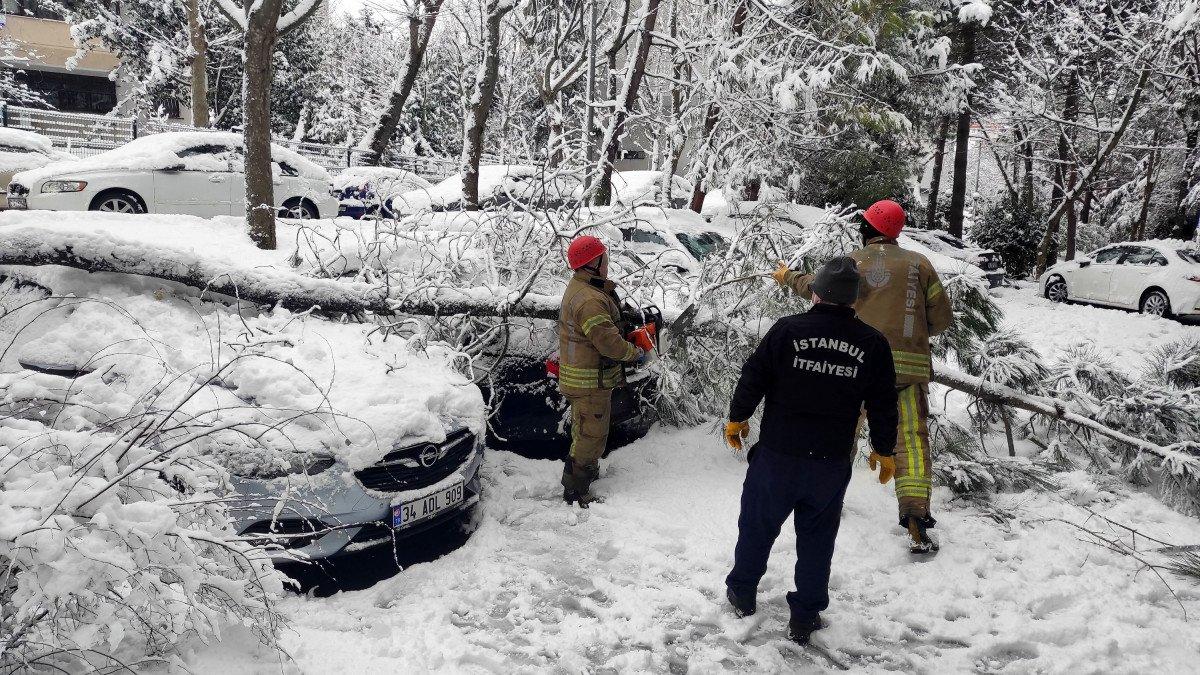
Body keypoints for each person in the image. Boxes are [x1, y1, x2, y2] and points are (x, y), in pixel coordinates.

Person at [724, 257, 899, 645]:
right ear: (854, 300)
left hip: (777, 456)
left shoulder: (787, 330)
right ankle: (805, 615)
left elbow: (754, 375)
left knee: (757, 525)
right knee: (818, 539)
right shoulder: (872, 343)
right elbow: (885, 403)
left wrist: (738, 417)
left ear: (816, 291)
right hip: (829, 463)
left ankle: (742, 592)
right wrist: (884, 449)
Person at [772, 199, 952, 553]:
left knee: (840, 433)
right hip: (907, 369)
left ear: (867, 228)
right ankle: (916, 515)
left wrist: (786, 276)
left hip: (853, 364)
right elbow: (941, 319)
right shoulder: (920, 264)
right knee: (911, 441)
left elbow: (817, 290)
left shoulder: (852, 262)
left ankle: (827, 502)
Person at [558, 235, 644, 507]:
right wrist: (634, 353)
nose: (607, 260)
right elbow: (607, 342)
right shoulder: (589, 300)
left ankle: (585, 474)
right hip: (588, 383)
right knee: (589, 436)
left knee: (588, 433)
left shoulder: (589, 289)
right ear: (592, 263)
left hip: (589, 380)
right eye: (604, 257)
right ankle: (576, 490)